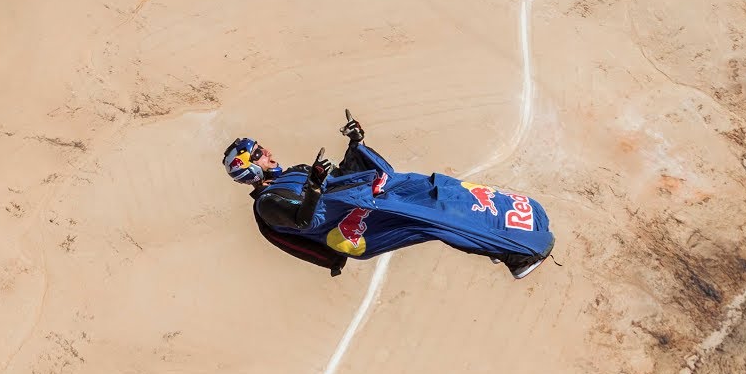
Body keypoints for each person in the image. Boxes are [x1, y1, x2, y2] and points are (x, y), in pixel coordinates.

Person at [222, 112, 554, 279]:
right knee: (432, 217)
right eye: (258, 154)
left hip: (363, 201)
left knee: (436, 188)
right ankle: (516, 253)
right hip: (356, 227)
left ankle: (498, 227)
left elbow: (339, 178)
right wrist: (314, 186)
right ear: (248, 169)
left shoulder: (290, 173)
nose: (268, 152)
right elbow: (304, 220)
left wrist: (356, 144)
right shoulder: (267, 204)